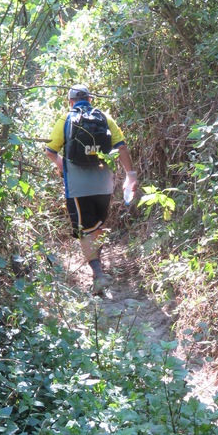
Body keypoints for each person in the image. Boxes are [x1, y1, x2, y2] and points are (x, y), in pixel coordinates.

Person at [45, 85, 138, 293]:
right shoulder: (104, 117)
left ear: (70, 102)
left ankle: (98, 275)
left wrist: (63, 168)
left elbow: (50, 151)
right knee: (97, 227)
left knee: (86, 231)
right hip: (104, 184)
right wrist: (130, 175)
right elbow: (122, 147)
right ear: (90, 99)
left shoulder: (65, 119)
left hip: (78, 187)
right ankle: (99, 273)